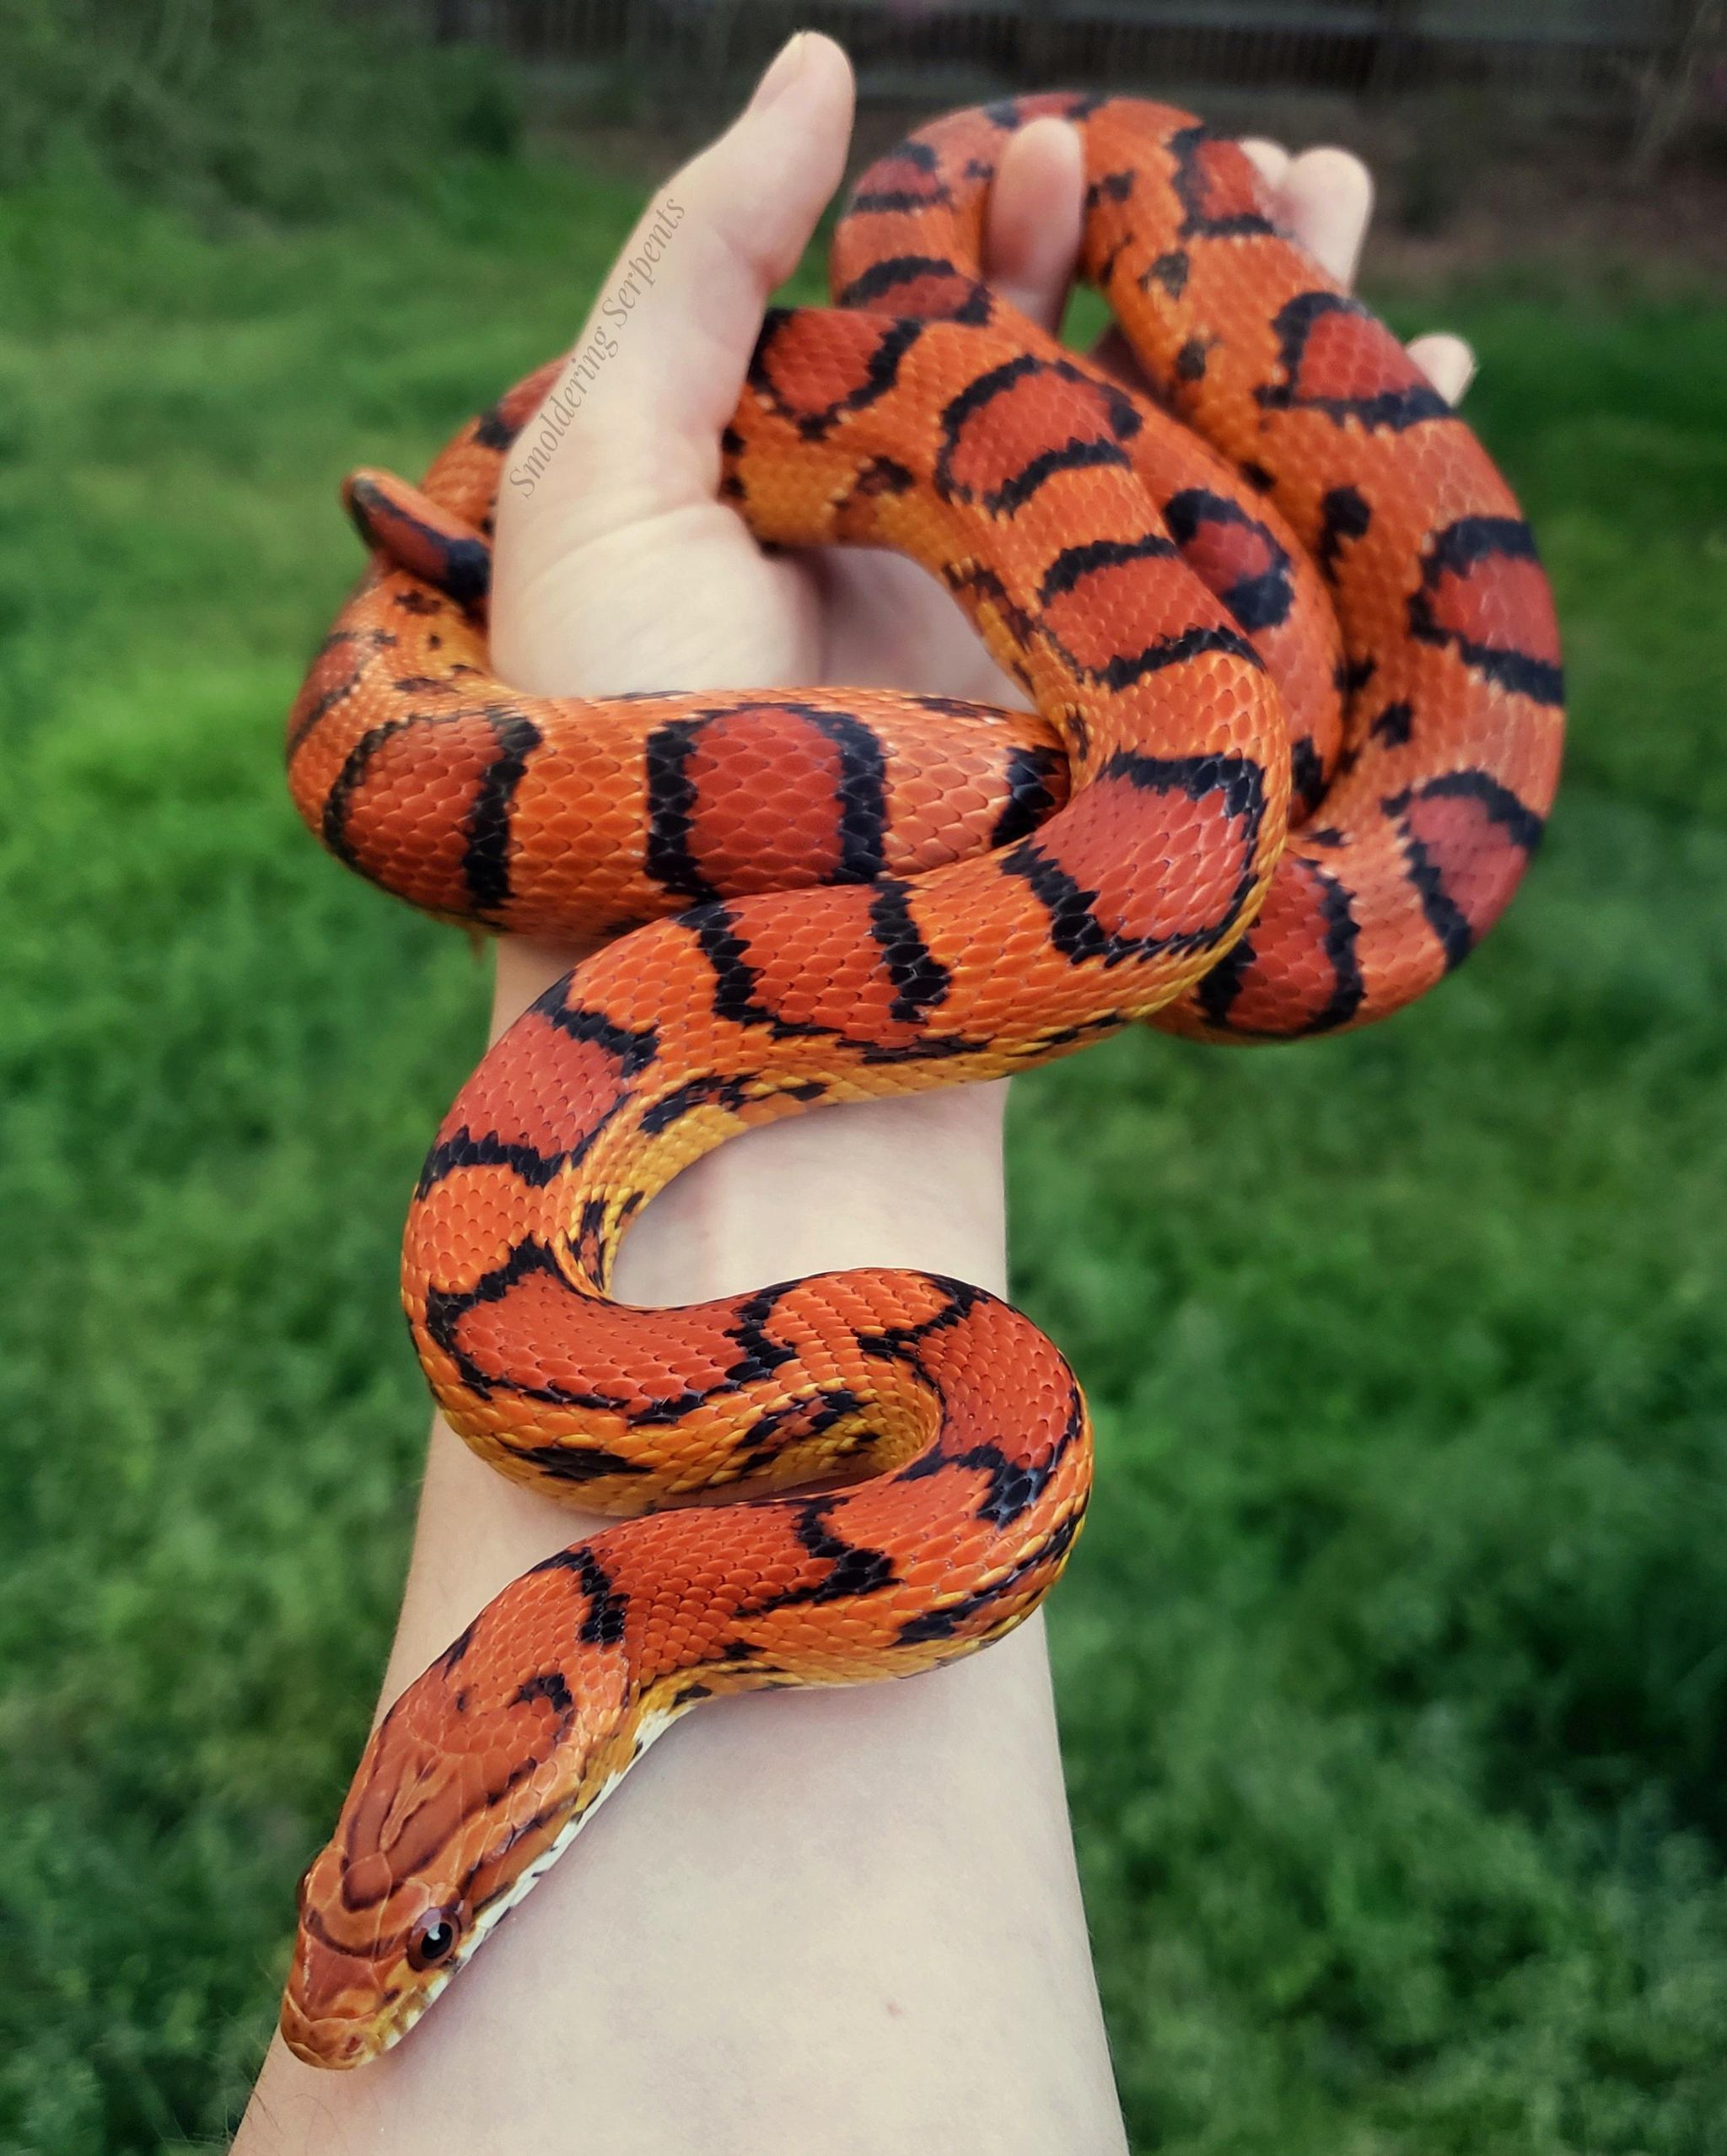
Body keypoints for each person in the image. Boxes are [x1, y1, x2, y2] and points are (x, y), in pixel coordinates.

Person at [234, 32, 1472, 2153]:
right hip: (1036, 733)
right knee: (1218, 780)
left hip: (1060, 690)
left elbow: (1177, 862)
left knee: (1237, 821)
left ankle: (1071, 305)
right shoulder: (925, 1469)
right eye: (407, 1936)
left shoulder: (594, 1433)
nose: (380, 1979)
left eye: (403, 1929)